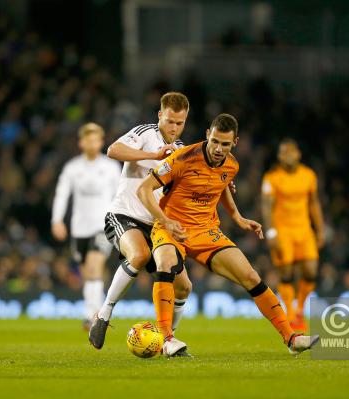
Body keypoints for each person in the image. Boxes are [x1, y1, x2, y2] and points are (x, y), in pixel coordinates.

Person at [137, 113, 319, 356]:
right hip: (173, 228)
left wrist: (237, 217)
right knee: (166, 262)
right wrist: (165, 221)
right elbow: (144, 189)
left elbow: (220, 186)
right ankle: (167, 339)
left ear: (234, 142)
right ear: (207, 136)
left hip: (205, 231)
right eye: (215, 142)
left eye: (225, 144)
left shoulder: (231, 165)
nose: (218, 149)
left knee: (251, 276)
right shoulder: (182, 158)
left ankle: (291, 338)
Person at [88, 92, 193, 352]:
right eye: (169, 121)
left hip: (156, 225)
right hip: (124, 214)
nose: (173, 128)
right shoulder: (145, 134)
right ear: (160, 116)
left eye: (179, 123)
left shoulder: (181, 152)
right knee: (139, 254)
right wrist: (155, 156)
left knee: (183, 287)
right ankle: (103, 314)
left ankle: (168, 339)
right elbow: (113, 150)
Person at [51, 122, 121, 330]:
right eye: (88, 140)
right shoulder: (73, 168)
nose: (92, 143)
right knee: (87, 273)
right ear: (81, 143)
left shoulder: (110, 167)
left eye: (96, 139)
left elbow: (119, 195)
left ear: (101, 142)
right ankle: (91, 311)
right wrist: (57, 220)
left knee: (94, 266)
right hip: (79, 228)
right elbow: (62, 194)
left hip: (103, 226)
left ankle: (94, 316)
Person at [261, 138, 325, 331]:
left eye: (291, 152)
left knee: (311, 271)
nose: (287, 155)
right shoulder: (272, 178)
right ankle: (289, 312)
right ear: (279, 156)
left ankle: (299, 309)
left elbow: (314, 203)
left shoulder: (308, 175)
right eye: (283, 152)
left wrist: (320, 229)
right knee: (287, 273)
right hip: (283, 231)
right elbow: (266, 206)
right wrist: (271, 233)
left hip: (304, 231)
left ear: (298, 154)